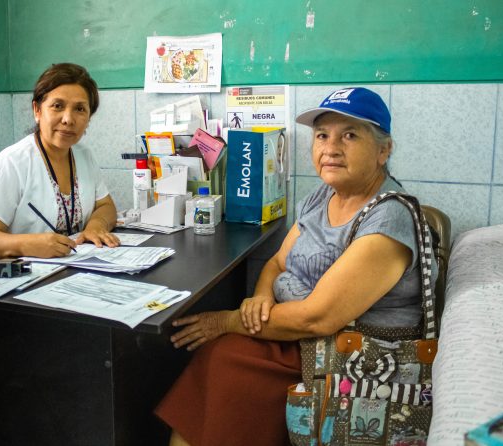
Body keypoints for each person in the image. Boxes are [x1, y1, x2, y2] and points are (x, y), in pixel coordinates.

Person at [155, 87, 438, 446]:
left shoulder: (389, 218)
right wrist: (259, 297)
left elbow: (317, 318)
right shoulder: (322, 196)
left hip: (347, 354)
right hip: (302, 340)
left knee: (225, 358)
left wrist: (228, 321)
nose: (330, 148)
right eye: (322, 136)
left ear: (384, 150)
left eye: (349, 135)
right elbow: (276, 261)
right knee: (217, 357)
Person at [0, 63, 119, 267]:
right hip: (8, 279)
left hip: (64, 271)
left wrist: (96, 225)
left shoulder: (83, 155)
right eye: (57, 106)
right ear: (37, 110)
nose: (68, 119)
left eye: (79, 109)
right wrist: (28, 244)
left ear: (88, 118)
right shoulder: (10, 163)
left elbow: (106, 206)